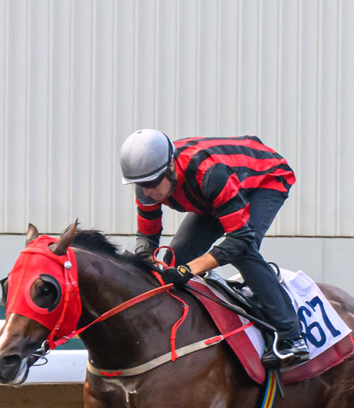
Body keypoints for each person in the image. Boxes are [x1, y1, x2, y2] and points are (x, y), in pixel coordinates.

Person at [119, 129, 310, 368]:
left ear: (170, 168)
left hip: (264, 180)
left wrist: (190, 269)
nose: (147, 192)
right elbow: (147, 238)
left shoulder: (209, 173)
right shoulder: (148, 184)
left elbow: (239, 239)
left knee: (243, 252)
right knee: (172, 259)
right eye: (140, 185)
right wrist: (145, 267)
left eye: (151, 184)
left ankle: (292, 337)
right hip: (216, 195)